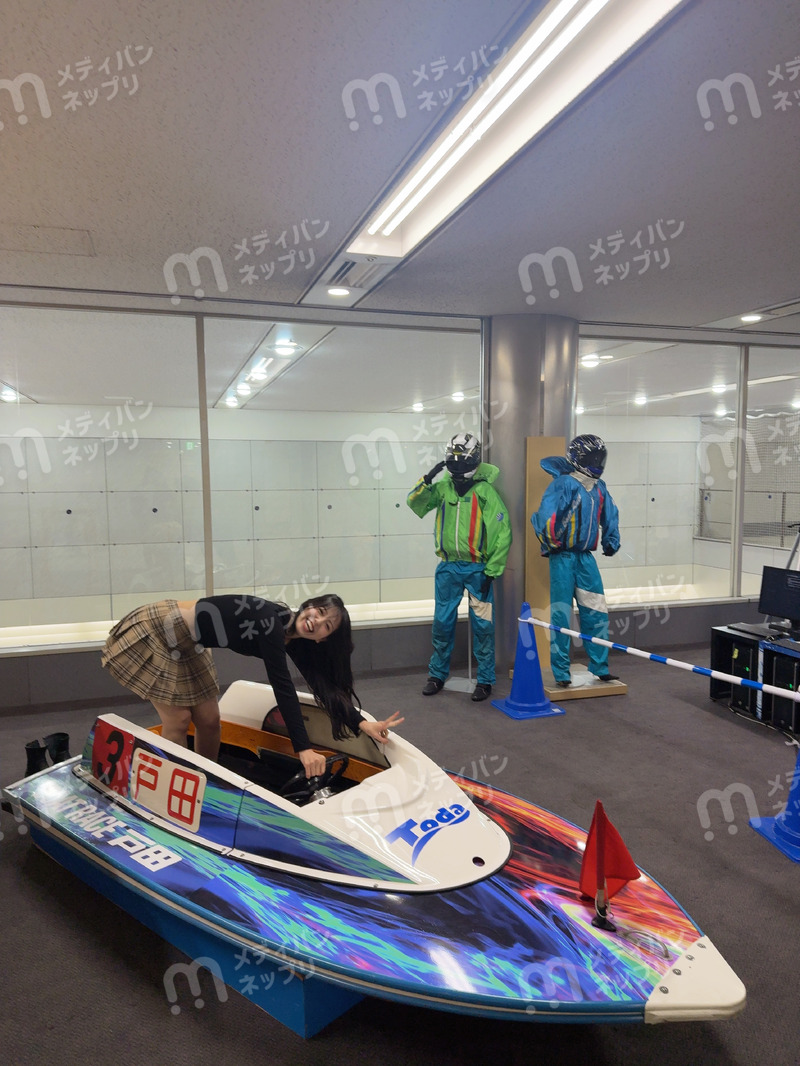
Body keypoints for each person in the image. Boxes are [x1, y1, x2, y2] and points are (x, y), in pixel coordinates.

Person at [101, 593, 403, 773]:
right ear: (309, 604)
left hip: (191, 644)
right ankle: (173, 782)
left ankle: (208, 778)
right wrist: (303, 749)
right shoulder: (271, 620)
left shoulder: (294, 637)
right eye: (319, 612)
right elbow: (283, 687)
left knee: (209, 720)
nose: (317, 621)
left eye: (326, 626)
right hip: (162, 629)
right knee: (178, 720)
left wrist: (361, 723)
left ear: (323, 639)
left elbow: (321, 685)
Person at [407, 432, 512, 702]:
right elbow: (416, 504)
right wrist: (426, 481)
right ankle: (437, 674)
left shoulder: (485, 492)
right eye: (453, 460)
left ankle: (485, 679)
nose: (457, 465)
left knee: (483, 626)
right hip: (448, 568)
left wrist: (492, 570)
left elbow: (502, 532)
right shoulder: (443, 487)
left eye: (462, 460)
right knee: (442, 623)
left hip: (478, 570)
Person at [531, 434, 621, 687]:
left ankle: (600, 666)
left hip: (585, 558)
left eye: (600, 458)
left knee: (596, 610)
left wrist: (611, 539)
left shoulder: (599, 487)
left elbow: (610, 514)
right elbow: (546, 514)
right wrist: (550, 540)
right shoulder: (564, 484)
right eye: (593, 458)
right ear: (579, 459)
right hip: (562, 557)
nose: (597, 464)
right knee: (561, 614)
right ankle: (561, 672)